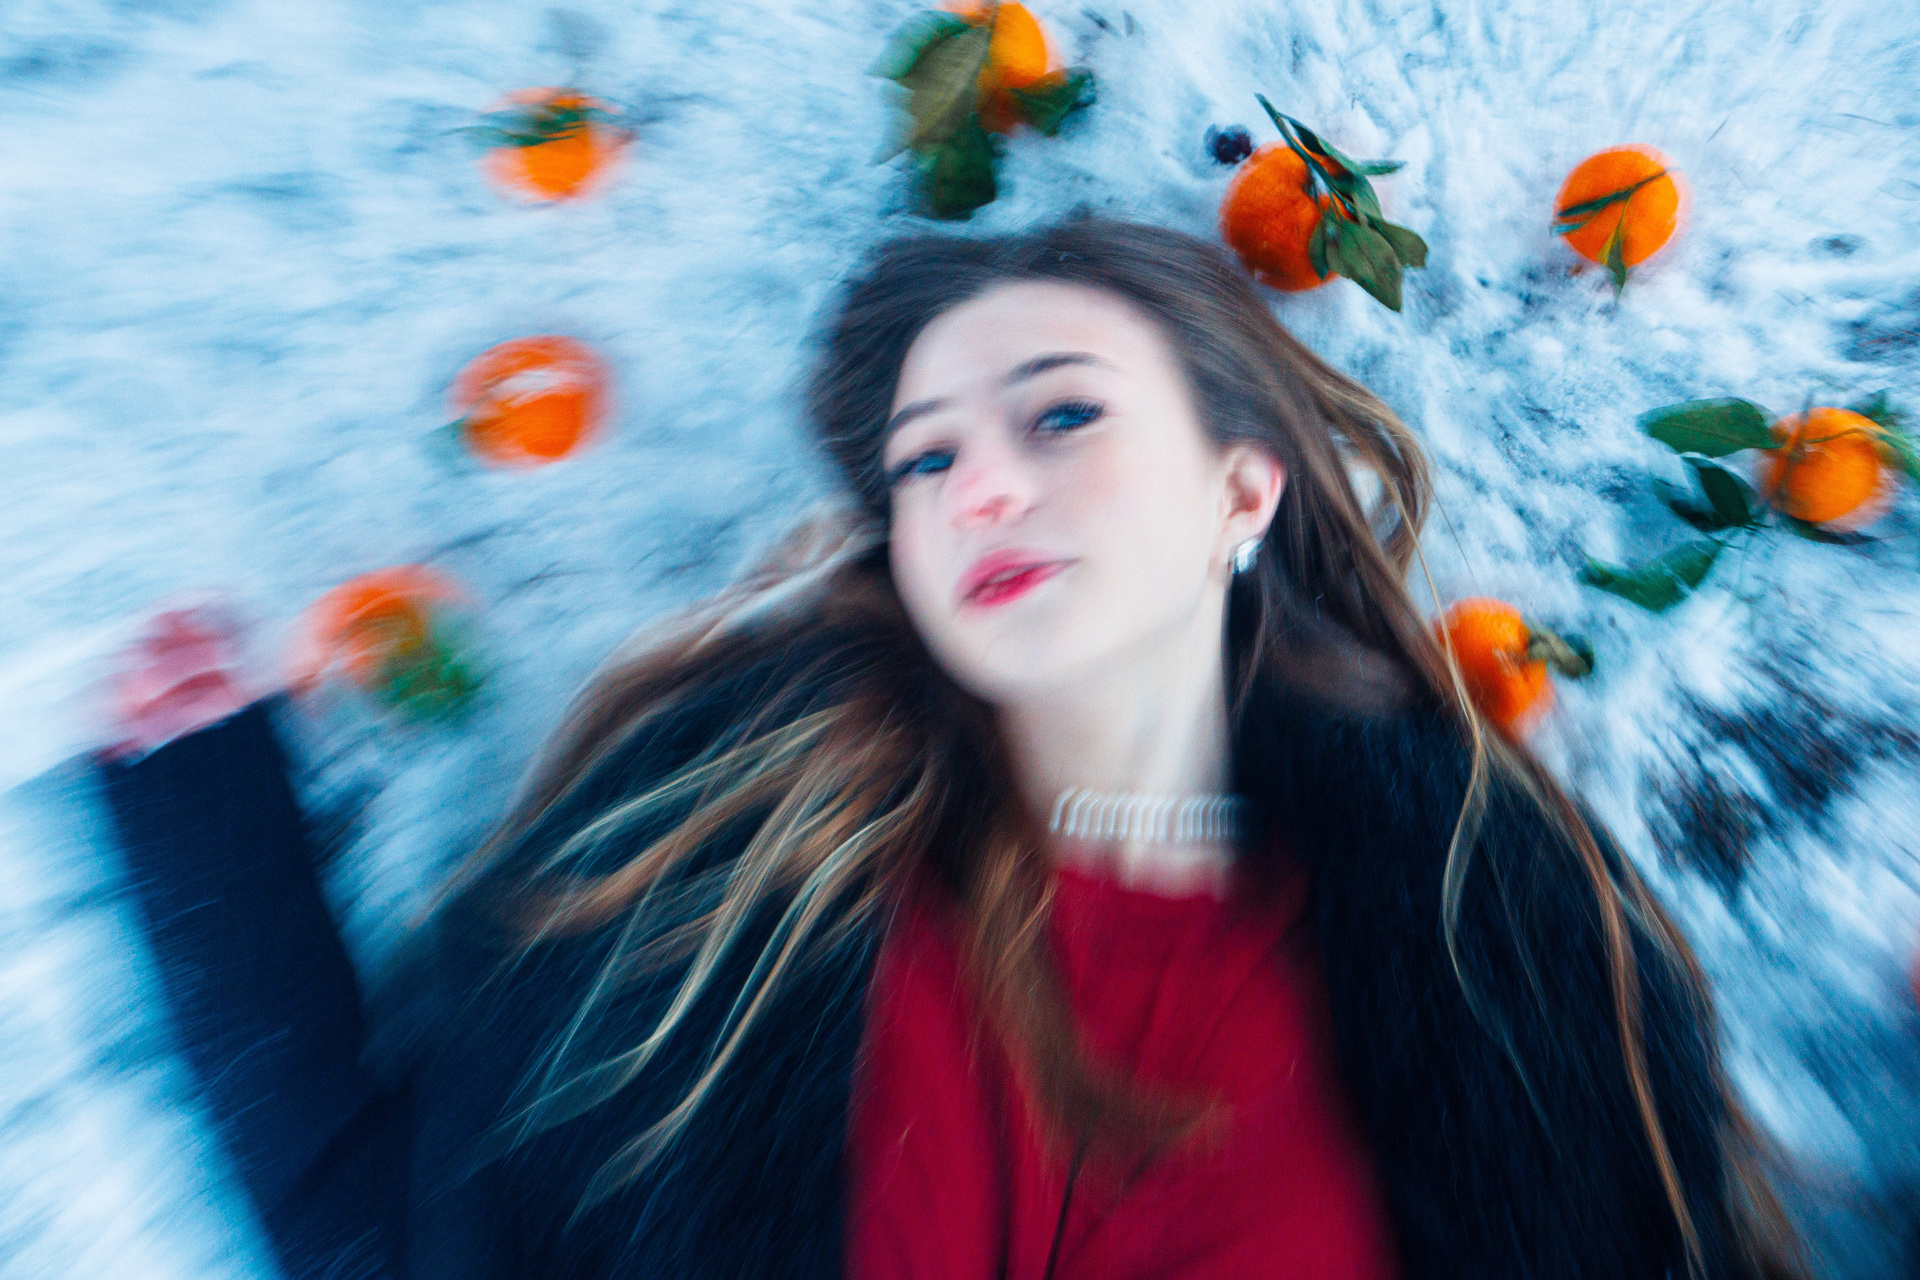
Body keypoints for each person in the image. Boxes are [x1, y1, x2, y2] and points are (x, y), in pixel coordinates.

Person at [94, 215, 1803, 1280]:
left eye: (1061, 413)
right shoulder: (716, 894)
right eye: (926, 458)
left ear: (1241, 489)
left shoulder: (1497, 944)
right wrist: (212, 840)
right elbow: (395, 1243)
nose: (980, 482)